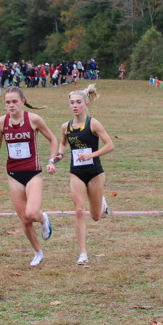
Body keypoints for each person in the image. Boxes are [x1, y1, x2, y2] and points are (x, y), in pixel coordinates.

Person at [0, 87, 58, 266]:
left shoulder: (33, 119)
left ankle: (43, 218)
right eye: (8, 102)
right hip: (13, 174)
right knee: (25, 220)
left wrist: (52, 160)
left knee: (32, 213)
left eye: (14, 102)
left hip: (33, 172)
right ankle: (38, 252)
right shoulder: (1, 122)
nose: (11, 105)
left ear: (22, 102)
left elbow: (53, 139)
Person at [55, 86, 115, 266]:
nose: (75, 106)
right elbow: (63, 144)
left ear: (86, 104)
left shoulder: (93, 124)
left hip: (95, 172)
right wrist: (59, 155)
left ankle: (102, 205)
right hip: (76, 173)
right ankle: (82, 253)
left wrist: (91, 155)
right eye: (72, 102)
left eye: (78, 102)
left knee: (96, 216)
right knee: (80, 210)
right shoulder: (66, 126)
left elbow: (110, 145)